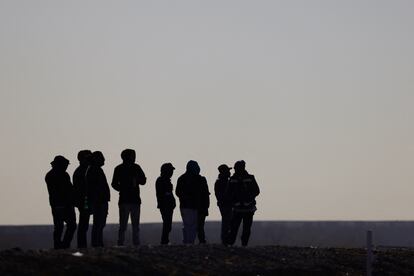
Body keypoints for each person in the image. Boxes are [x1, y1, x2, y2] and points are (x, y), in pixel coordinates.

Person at [111, 149, 146, 246]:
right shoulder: (119, 169)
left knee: (135, 225)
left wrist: (136, 180)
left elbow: (143, 181)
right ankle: (121, 243)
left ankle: (135, 243)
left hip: (134, 200)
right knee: (123, 225)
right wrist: (123, 189)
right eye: (132, 156)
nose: (134, 158)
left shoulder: (136, 167)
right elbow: (114, 184)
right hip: (125, 200)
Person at [45, 155, 77, 249]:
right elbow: (58, 191)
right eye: (65, 165)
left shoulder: (63, 174)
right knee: (60, 227)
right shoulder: (52, 175)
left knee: (69, 226)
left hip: (65, 204)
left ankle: (63, 245)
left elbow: (70, 189)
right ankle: (60, 246)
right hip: (59, 205)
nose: (66, 167)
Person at [226, 160, 260, 247]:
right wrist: (235, 201)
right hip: (238, 208)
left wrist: (248, 198)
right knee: (234, 228)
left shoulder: (250, 178)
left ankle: (244, 245)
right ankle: (231, 244)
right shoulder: (233, 179)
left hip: (248, 208)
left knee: (246, 228)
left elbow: (256, 191)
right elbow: (228, 194)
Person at [175, 160, 207, 244]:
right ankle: (189, 242)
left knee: (190, 226)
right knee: (190, 226)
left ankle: (189, 241)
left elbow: (178, 192)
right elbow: (178, 192)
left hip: (191, 206)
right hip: (189, 206)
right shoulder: (197, 179)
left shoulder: (183, 178)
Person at [86, 151, 110, 247]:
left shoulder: (95, 170)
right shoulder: (94, 170)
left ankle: (97, 242)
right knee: (98, 223)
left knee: (99, 223)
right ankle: (96, 243)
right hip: (99, 201)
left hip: (100, 201)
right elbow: (94, 188)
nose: (104, 160)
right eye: (102, 158)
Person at [72, 150, 92, 248]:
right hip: (84, 200)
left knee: (84, 223)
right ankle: (82, 245)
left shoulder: (83, 170)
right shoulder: (81, 171)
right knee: (84, 223)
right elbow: (81, 189)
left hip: (84, 200)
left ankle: (82, 244)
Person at [155, 163, 176, 245]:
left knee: (168, 224)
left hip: (168, 205)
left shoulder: (165, 180)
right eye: (170, 170)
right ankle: (164, 240)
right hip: (165, 205)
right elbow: (164, 193)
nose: (172, 172)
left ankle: (165, 240)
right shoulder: (161, 180)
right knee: (167, 223)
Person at [214, 164, 232, 245]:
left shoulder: (221, 181)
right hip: (225, 205)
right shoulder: (222, 182)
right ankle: (225, 241)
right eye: (228, 171)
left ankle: (226, 241)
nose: (229, 172)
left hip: (225, 205)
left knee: (227, 222)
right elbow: (221, 196)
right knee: (226, 223)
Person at [197, 172, 210, 244]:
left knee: (199, 226)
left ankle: (201, 240)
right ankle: (201, 240)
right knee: (200, 226)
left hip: (200, 207)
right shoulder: (202, 180)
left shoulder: (200, 180)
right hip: (202, 207)